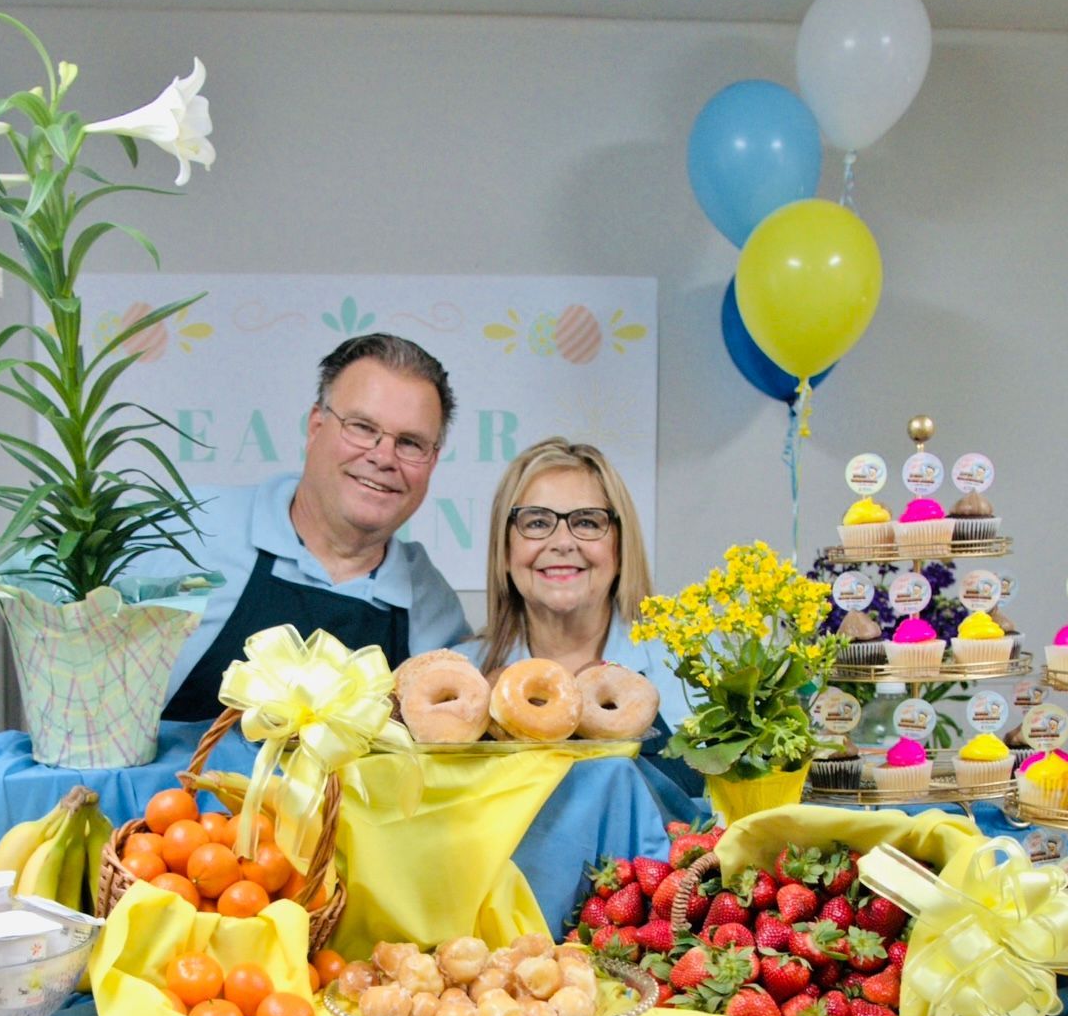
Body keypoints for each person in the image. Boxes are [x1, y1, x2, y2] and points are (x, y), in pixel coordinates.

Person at [161, 334, 468, 720]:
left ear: (433, 461)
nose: (383, 457)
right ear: (315, 425)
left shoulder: (432, 606)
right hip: (177, 782)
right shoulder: (193, 529)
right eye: (361, 427)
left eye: (410, 443)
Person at [478, 436, 699, 788]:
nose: (563, 542)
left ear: (619, 545)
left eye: (586, 522)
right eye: (536, 522)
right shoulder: (467, 679)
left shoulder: (694, 670)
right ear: (504, 550)